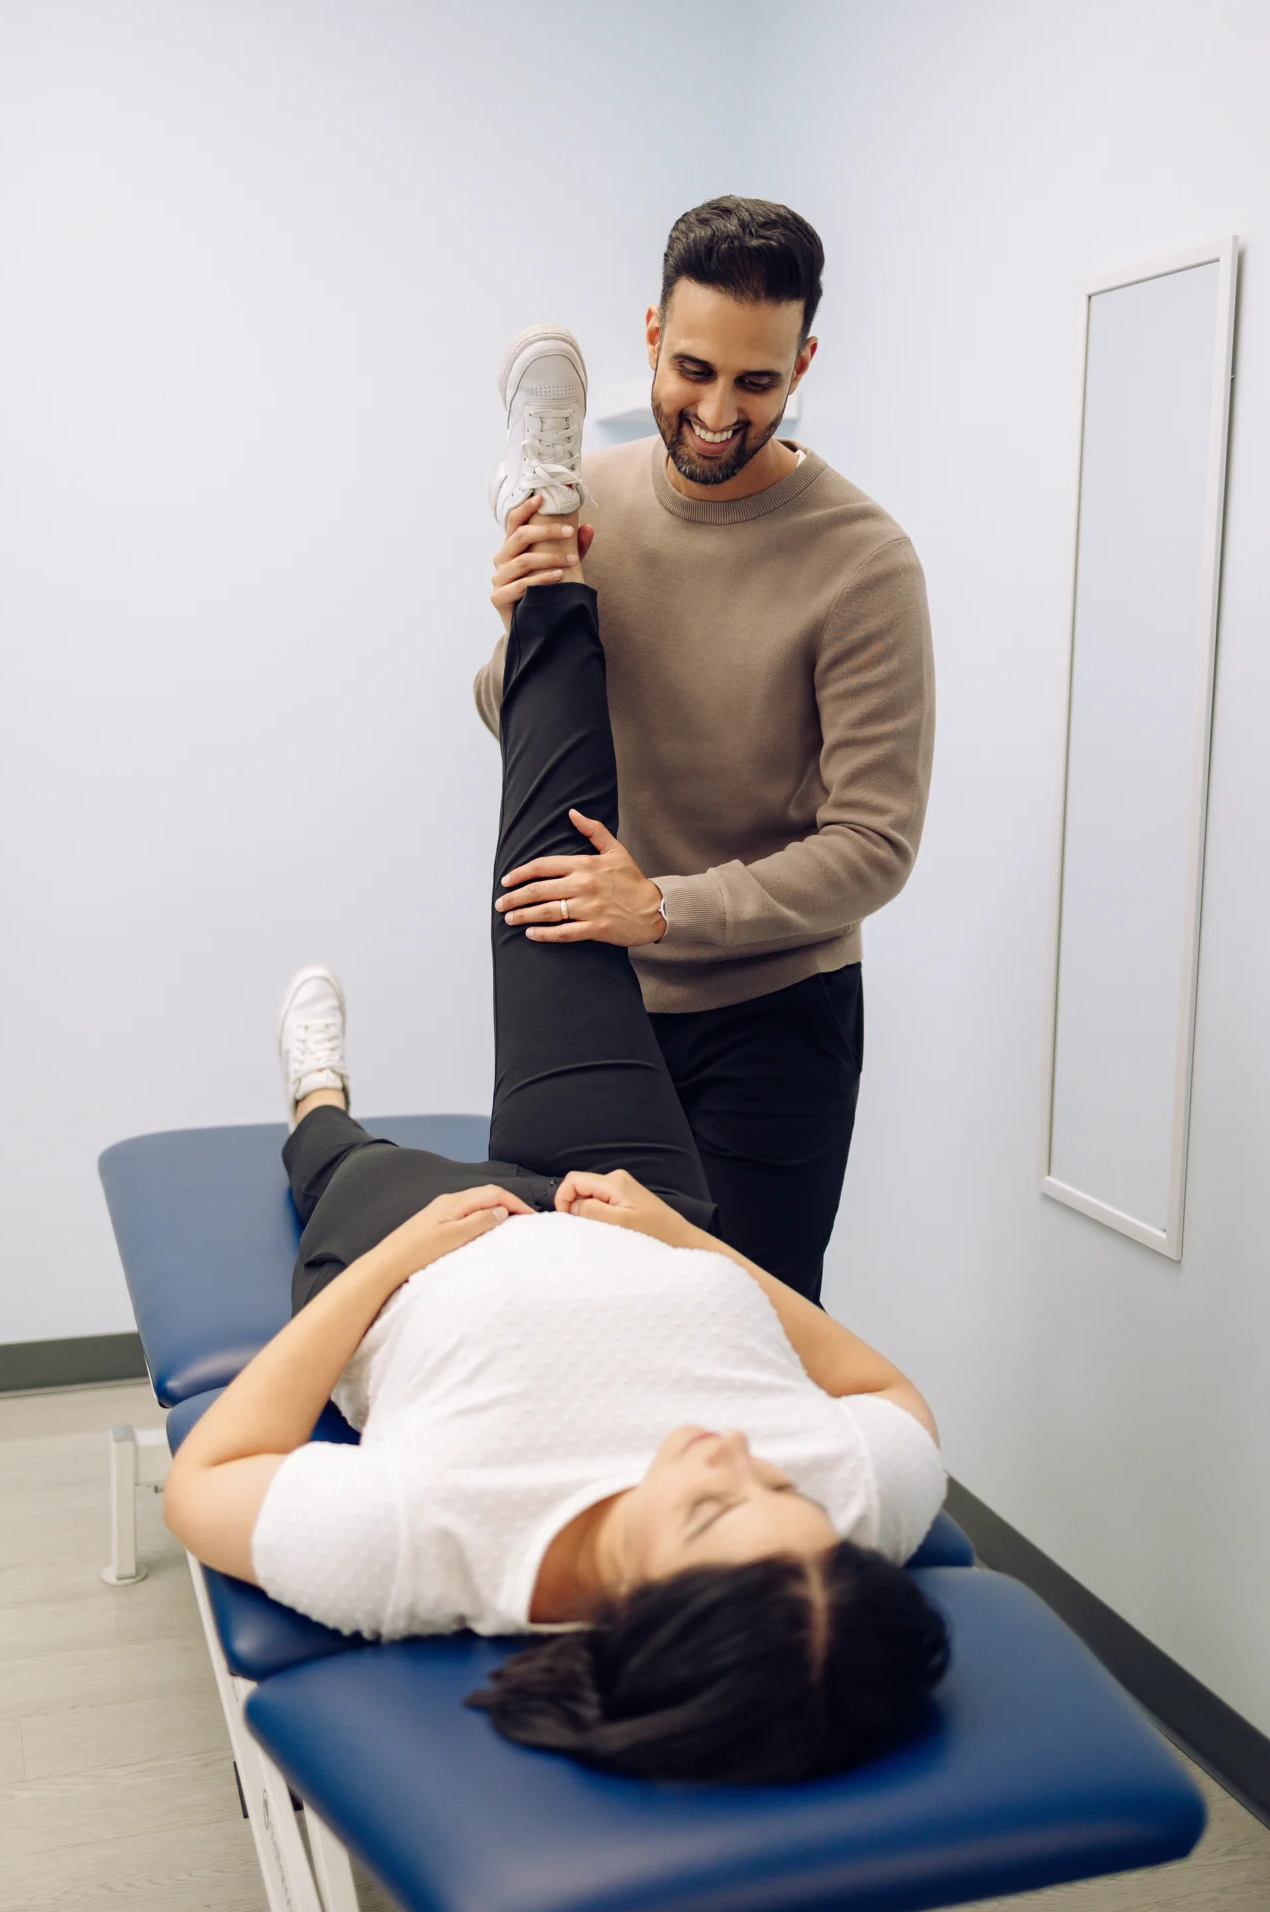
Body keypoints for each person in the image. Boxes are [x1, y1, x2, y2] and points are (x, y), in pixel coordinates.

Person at [164, 548, 948, 1785]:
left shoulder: (422, 1552)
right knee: (557, 894)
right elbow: (893, 1404)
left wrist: (389, 1265)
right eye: (771, 1486)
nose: (726, 1450)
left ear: (627, 1618)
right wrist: (684, 1241)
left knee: (338, 1157)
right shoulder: (821, 1539)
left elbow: (206, 1478)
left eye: (703, 1506)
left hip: (425, 1258)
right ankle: (549, 560)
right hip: (629, 1209)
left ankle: (315, 1090)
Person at [475, 198, 935, 1304]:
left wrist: (667, 908)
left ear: (802, 363)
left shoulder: (862, 562)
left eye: (757, 383)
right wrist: (523, 627)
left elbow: (873, 845)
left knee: (743, 1326)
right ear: (649, 337)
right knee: (583, 1316)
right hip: (602, 995)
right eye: (692, 371)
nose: (718, 413)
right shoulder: (606, 503)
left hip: (770, 1022)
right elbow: (515, 723)